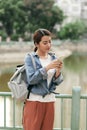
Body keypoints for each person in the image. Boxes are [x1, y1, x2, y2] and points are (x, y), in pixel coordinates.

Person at [22, 28, 63, 130]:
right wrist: (47, 68)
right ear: (36, 44)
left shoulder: (53, 57)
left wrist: (58, 72)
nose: (48, 45)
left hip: (50, 101)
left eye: (50, 42)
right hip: (34, 101)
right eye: (45, 43)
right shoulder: (30, 58)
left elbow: (57, 82)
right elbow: (31, 79)